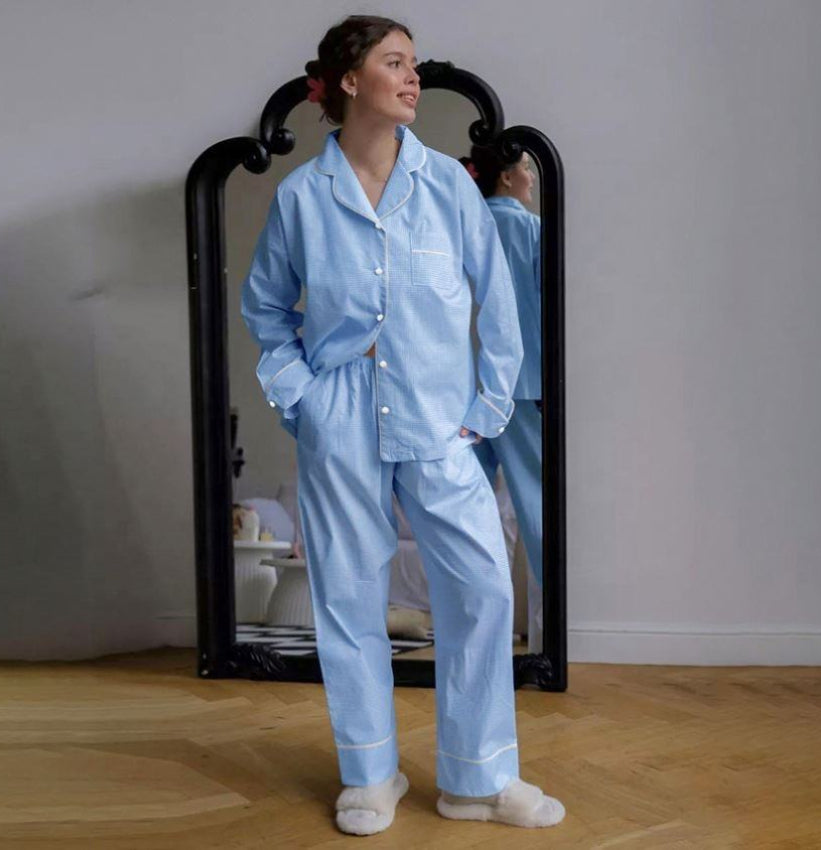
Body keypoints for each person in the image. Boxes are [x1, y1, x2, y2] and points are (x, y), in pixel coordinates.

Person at [241, 14, 565, 836]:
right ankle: (369, 773)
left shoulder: (449, 186)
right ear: (350, 80)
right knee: (348, 596)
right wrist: (304, 401)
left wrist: (485, 409)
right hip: (341, 413)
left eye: (414, 63)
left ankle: (477, 780)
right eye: (396, 62)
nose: (414, 77)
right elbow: (267, 309)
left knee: (481, 588)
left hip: (438, 414)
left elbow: (498, 305)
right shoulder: (302, 197)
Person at [459, 145, 545, 654]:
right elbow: (548, 310)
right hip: (523, 384)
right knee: (536, 507)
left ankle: (475, 628)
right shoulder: (529, 230)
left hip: (465, 382)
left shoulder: (463, 223)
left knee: (467, 509)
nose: (531, 176)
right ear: (508, 177)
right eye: (527, 168)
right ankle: (549, 634)